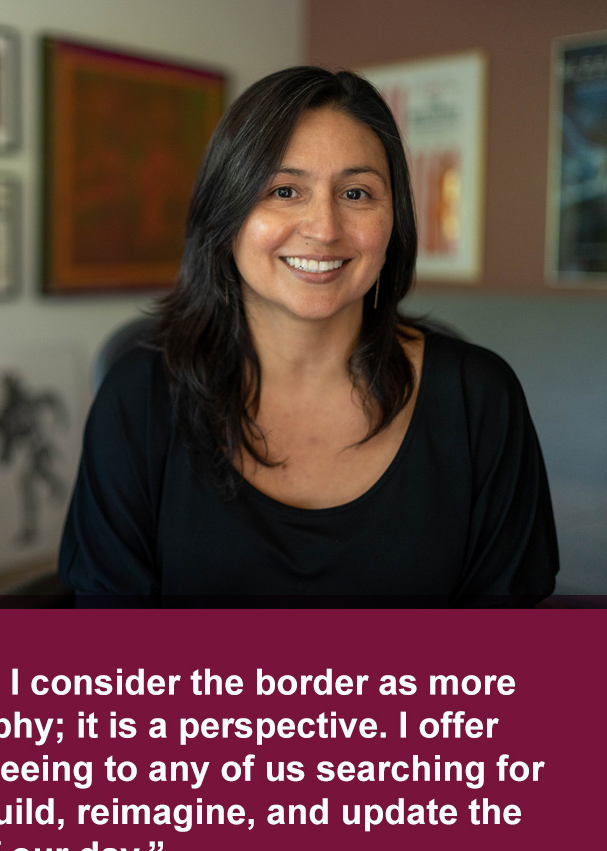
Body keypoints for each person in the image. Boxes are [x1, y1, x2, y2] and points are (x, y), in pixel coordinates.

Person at [59, 66, 558, 607]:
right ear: (226, 213)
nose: (324, 227)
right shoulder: (138, 398)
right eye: (284, 189)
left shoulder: (480, 399)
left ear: (394, 221)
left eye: (357, 192)